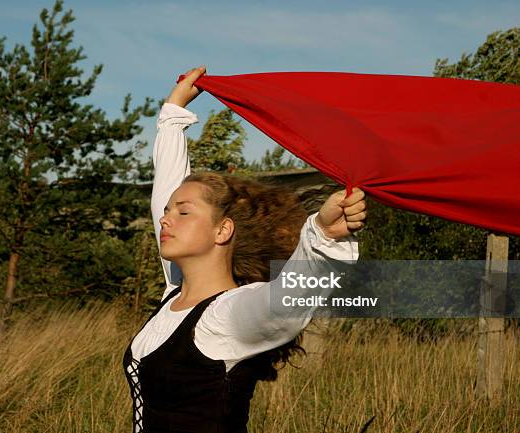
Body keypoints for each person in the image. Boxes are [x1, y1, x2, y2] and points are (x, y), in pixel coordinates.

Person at [123, 66, 367, 433]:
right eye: (168, 212)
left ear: (222, 231)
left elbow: (287, 301)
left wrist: (323, 235)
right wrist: (172, 117)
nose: (165, 219)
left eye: (183, 213)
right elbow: (167, 189)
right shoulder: (173, 292)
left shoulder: (229, 316)